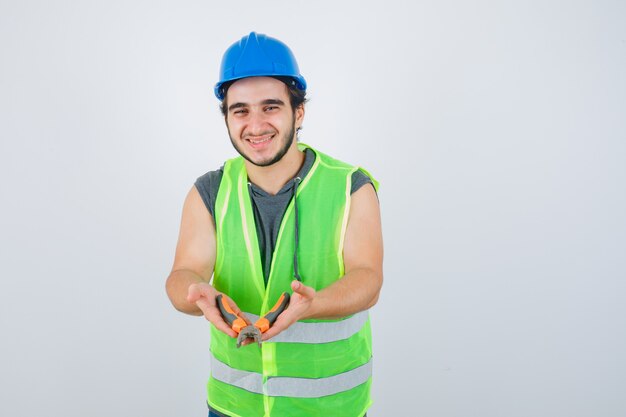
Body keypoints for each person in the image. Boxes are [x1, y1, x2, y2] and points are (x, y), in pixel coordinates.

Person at [165, 31, 383, 417]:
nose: (255, 124)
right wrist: (196, 293)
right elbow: (183, 273)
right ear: (227, 118)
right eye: (241, 110)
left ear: (299, 112)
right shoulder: (210, 192)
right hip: (234, 405)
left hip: (330, 408)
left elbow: (368, 280)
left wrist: (315, 305)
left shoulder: (350, 187)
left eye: (270, 107)